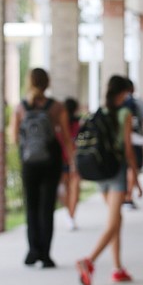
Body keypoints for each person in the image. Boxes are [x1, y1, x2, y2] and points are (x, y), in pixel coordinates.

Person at [75, 75, 141, 285]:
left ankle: (118, 268)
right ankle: (89, 261)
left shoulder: (98, 113)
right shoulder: (125, 114)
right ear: (123, 93)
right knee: (113, 222)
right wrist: (135, 176)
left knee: (116, 221)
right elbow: (128, 148)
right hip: (116, 172)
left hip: (99, 171)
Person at [11, 68, 72, 267]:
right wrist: (72, 163)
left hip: (29, 162)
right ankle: (45, 254)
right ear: (47, 83)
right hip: (50, 160)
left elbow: (13, 138)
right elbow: (65, 137)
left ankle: (32, 251)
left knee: (31, 206)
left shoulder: (21, 108)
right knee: (47, 207)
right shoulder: (56, 107)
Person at [121, 79, 143, 210]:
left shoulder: (117, 104)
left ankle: (124, 196)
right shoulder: (138, 102)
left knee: (125, 168)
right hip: (136, 140)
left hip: (121, 141)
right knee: (133, 168)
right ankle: (128, 197)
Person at [61, 97, 82, 231]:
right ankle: (71, 216)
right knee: (73, 189)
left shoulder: (58, 124)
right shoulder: (78, 125)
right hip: (73, 159)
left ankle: (70, 214)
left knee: (67, 189)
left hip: (62, 159)